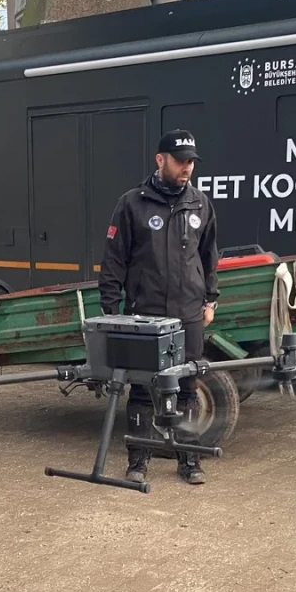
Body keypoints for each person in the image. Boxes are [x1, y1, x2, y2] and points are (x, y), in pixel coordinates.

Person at [98, 129, 220, 485]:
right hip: (145, 313)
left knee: (187, 386)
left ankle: (189, 461)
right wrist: (111, 311)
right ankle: (138, 460)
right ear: (160, 160)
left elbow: (210, 255)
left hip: (188, 313)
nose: (187, 168)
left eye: (192, 162)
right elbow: (114, 261)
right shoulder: (132, 203)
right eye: (181, 161)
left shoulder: (200, 204)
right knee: (141, 388)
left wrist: (210, 298)